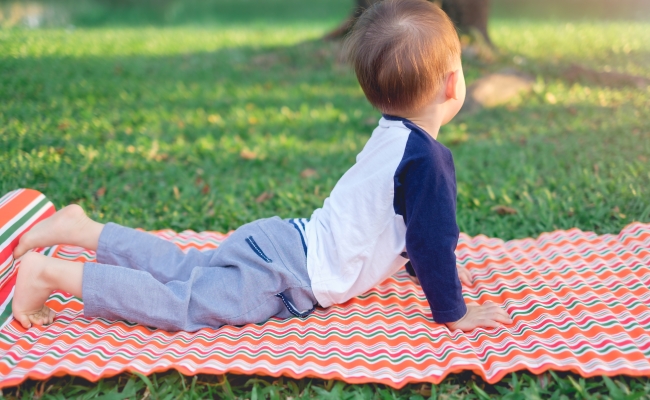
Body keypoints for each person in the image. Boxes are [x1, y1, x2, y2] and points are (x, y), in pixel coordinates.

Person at [11, 0, 512, 333]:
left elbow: (395, 227)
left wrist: (413, 268)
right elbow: (429, 239)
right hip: (285, 275)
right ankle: (52, 275)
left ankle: (88, 230)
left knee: (186, 267)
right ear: (453, 84)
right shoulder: (428, 161)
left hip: (279, 239)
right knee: (181, 303)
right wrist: (454, 313)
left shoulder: (393, 134)